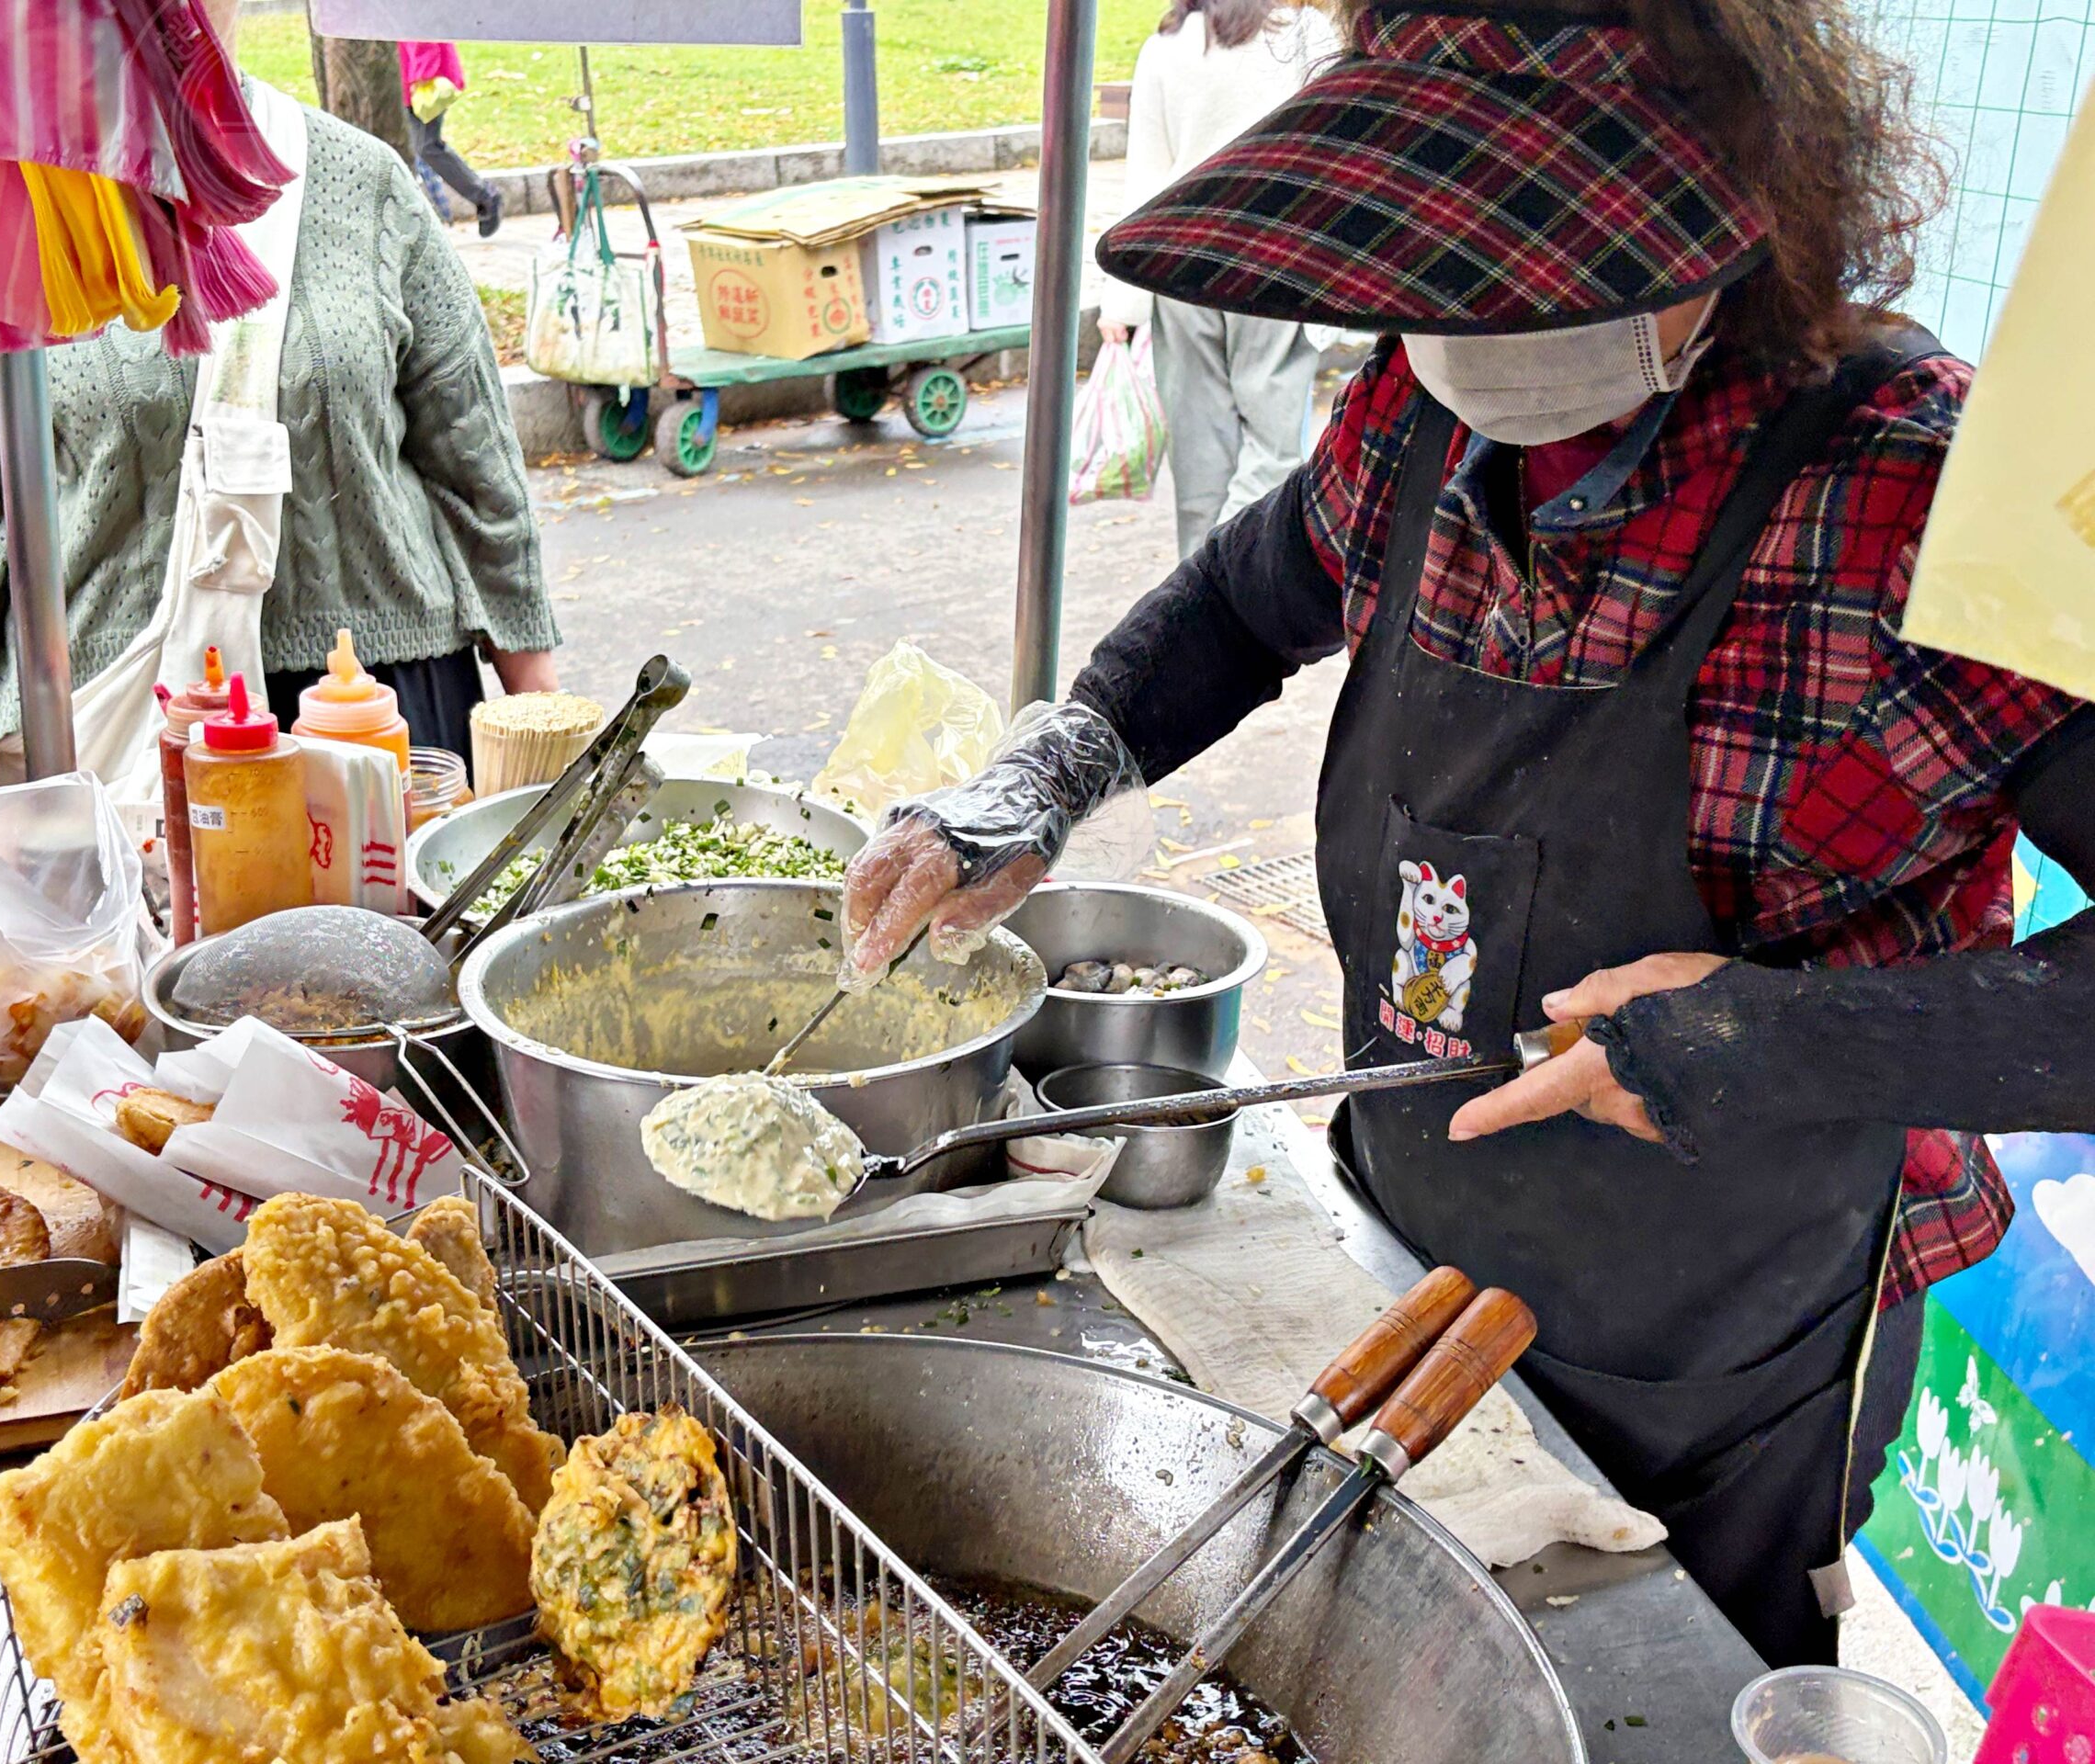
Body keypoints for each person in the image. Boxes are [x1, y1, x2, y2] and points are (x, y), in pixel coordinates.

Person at [843, 0, 2095, 1668]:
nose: (1477, 323)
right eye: (1449, 271)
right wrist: (1053, 770)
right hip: (1407, 1247)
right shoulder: (1419, 412)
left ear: (1736, 196)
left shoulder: (1919, 498)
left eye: (1541, 268)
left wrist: (1762, 1039)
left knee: (1645, 1683)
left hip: (1721, 1345)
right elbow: (1244, 599)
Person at [0, 0, 559, 793]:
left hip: (393, 731)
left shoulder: (363, 183)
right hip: (133, 751)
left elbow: (479, 476)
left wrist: (546, 741)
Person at [1096, 0, 1337, 557]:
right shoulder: (1305, 32)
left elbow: (1147, 173)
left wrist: (1122, 300)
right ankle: (1226, 575)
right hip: (1276, 258)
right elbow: (1330, 153)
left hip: (1179, 260)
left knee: (1199, 461)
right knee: (1275, 452)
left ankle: (1198, 583)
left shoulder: (1165, 46)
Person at [402, 40, 503, 239]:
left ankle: (485, 196)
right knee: (419, 147)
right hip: (413, 77)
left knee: (427, 147)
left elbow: (422, 32)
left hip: (425, 82)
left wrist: (424, 74)